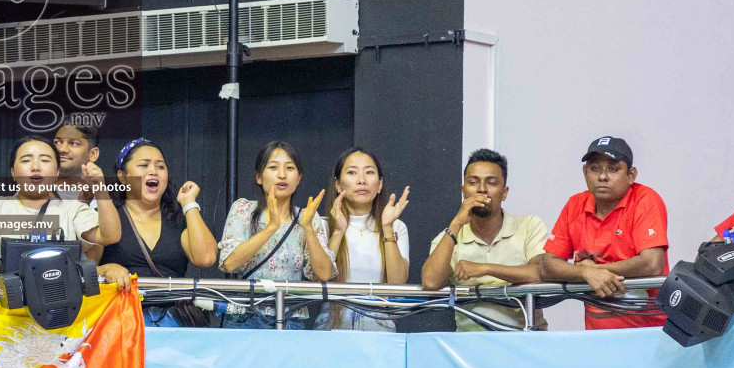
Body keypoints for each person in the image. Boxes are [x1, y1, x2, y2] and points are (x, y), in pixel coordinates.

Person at [0, 137, 116, 314]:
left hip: (62, 314)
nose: (35, 166)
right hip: (6, 314)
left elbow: (109, 236)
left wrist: (100, 189)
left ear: (57, 172)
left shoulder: (72, 209)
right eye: (26, 160)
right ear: (13, 172)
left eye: (45, 160)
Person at [540, 136, 668, 329]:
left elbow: (652, 264)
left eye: (613, 169)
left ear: (631, 175)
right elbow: (548, 265)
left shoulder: (645, 199)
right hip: (598, 335)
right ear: (585, 172)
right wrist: (585, 272)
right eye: (595, 168)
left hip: (650, 330)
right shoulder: (575, 205)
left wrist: (594, 271)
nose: (602, 176)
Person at [419, 148, 549, 330]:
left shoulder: (529, 226)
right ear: (463, 191)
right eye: (473, 182)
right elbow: (431, 282)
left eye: (491, 182)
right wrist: (456, 224)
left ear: (504, 192)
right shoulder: (450, 236)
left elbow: (542, 273)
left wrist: (485, 269)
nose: (481, 189)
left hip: (523, 342)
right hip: (469, 348)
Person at [98, 138, 219, 326]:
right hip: (121, 323)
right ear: (122, 176)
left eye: (160, 167)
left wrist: (189, 204)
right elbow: (82, 269)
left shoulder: (178, 218)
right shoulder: (108, 217)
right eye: (143, 165)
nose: (153, 171)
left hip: (175, 327)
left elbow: (206, 258)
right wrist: (106, 269)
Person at [217, 140, 331, 328]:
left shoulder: (307, 217)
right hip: (245, 317)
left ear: (299, 178)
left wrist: (309, 228)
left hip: (291, 319)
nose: (282, 175)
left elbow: (324, 273)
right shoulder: (243, 209)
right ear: (259, 177)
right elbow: (229, 263)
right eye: (273, 167)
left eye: (290, 168)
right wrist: (271, 227)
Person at [326, 147, 410, 331]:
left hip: (377, 319)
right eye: (352, 172)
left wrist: (387, 228)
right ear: (338, 184)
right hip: (333, 320)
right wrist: (338, 232)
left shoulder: (397, 226)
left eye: (369, 172)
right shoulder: (323, 226)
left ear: (379, 184)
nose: (362, 180)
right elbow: (321, 277)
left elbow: (398, 283)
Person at [52, 120, 102, 202]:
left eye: (74, 143)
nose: (62, 149)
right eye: (57, 142)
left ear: (93, 154)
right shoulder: (32, 189)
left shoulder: (107, 198)